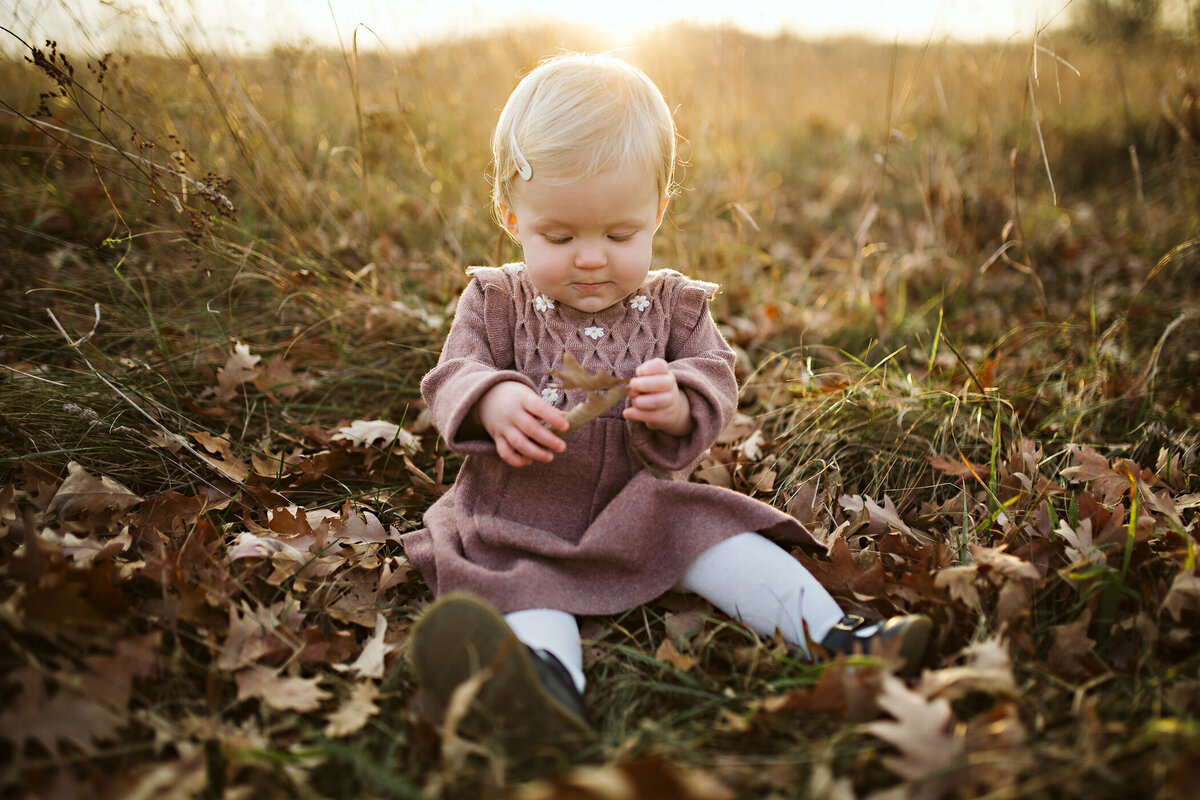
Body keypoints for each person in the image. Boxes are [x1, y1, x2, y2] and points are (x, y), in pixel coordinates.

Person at [401, 52, 930, 757]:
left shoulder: (675, 305)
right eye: (559, 237)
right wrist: (491, 398)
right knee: (526, 592)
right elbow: (452, 372)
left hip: (642, 504)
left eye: (620, 236)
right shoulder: (495, 300)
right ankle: (541, 690)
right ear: (511, 217)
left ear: (657, 212)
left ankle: (836, 638)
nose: (591, 258)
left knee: (720, 539)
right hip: (518, 517)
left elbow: (715, 371)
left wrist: (681, 402)